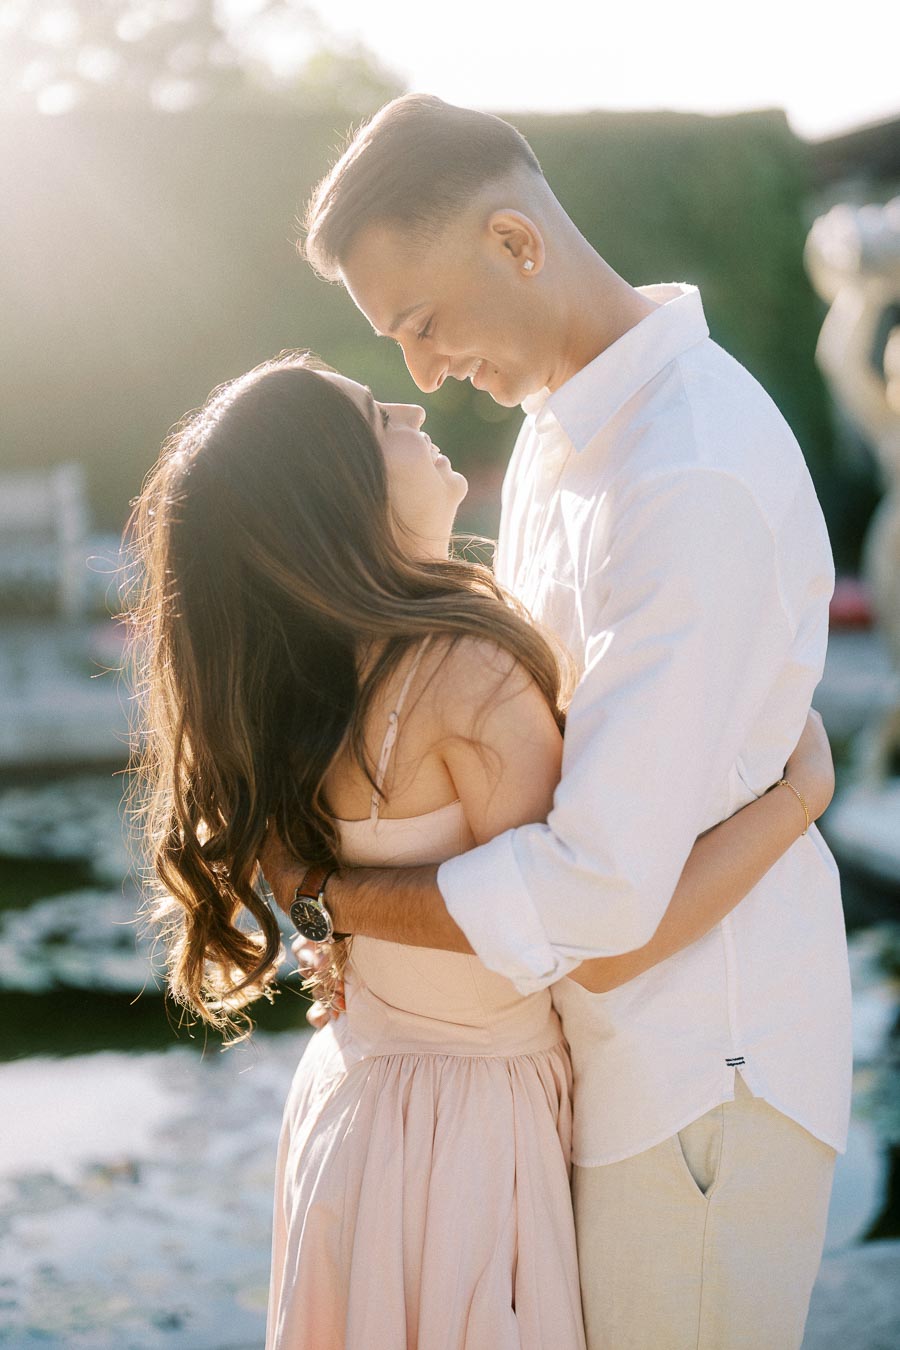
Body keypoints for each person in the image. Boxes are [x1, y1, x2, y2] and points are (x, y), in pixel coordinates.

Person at [263, 94, 854, 1349]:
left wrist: (339, 896)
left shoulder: (684, 475)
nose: (419, 371)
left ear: (517, 244)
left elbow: (595, 894)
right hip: (595, 1070)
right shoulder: (560, 431)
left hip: (701, 1083)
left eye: (422, 323)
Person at [126, 352, 833, 1350]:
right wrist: (799, 800)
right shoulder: (467, 672)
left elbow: (332, 888)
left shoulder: (301, 686)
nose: (410, 404)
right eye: (376, 416)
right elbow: (604, 940)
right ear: (344, 496)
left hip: (357, 1107)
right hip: (466, 1132)